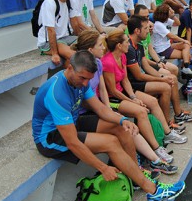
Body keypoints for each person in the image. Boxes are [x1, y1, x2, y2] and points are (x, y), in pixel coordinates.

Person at [31, 50, 185, 201]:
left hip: (71, 122)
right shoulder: (57, 93)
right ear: (69, 67)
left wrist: (123, 120)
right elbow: (73, 143)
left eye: (88, 80)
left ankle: (135, 175)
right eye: (82, 78)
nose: (85, 84)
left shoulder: (80, 79)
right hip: (49, 137)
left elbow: (101, 109)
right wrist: (103, 168)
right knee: (110, 142)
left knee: (122, 129)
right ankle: (153, 192)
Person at [70, 30, 178, 175]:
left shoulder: (97, 63)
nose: (103, 47)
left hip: (101, 104)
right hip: (88, 112)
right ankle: (139, 168)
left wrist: (113, 106)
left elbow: (102, 88)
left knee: (129, 121)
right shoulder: (86, 69)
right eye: (100, 45)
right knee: (125, 124)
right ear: (90, 50)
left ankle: (155, 159)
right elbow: (96, 97)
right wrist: (109, 110)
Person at [102, 29, 185, 164]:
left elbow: (125, 80)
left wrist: (133, 97)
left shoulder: (121, 56)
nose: (128, 43)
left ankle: (167, 133)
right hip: (113, 98)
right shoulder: (108, 62)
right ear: (118, 45)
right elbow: (112, 90)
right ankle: (156, 148)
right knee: (141, 111)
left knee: (152, 101)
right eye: (126, 41)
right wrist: (132, 101)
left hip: (124, 92)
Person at [125, 15, 192, 125]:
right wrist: (162, 80)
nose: (149, 30)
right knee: (165, 86)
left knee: (171, 78)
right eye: (145, 28)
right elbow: (138, 76)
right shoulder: (129, 48)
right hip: (133, 84)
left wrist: (162, 77)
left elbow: (146, 66)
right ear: (137, 30)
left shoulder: (138, 45)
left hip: (140, 79)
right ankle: (167, 123)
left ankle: (178, 115)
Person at [37, 0, 77, 66]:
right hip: (48, 42)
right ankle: (69, 80)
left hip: (66, 38)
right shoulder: (50, 2)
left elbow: (75, 23)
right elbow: (50, 30)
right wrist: (55, 54)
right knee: (74, 56)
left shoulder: (69, 1)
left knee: (90, 46)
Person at [134, 4, 179, 77]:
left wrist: (159, 62)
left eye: (147, 16)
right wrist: (157, 64)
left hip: (150, 60)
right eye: (143, 17)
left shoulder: (146, 28)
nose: (147, 20)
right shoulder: (132, 31)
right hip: (143, 64)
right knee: (169, 76)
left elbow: (150, 49)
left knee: (174, 69)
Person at [151, 4, 192, 76]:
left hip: (168, 46)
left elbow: (178, 23)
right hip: (163, 50)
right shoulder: (158, 24)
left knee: (186, 45)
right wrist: (184, 40)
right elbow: (171, 36)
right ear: (164, 13)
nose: (171, 10)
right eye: (169, 10)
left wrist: (173, 15)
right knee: (188, 55)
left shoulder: (166, 20)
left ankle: (184, 69)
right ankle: (184, 71)